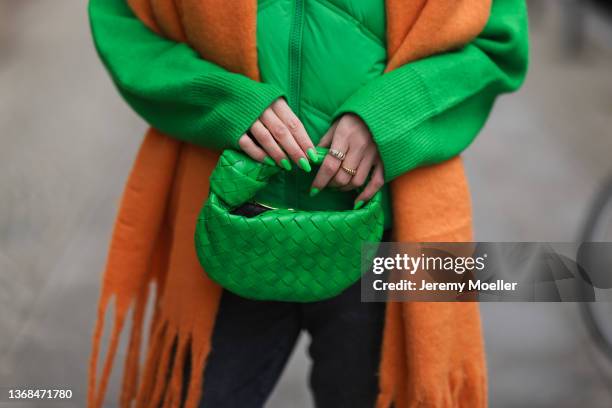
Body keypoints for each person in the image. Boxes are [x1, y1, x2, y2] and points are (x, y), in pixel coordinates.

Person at [88, 0, 528, 407]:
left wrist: (392, 116)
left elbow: (497, 43)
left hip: (391, 242)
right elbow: (124, 21)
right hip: (228, 225)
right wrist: (222, 100)